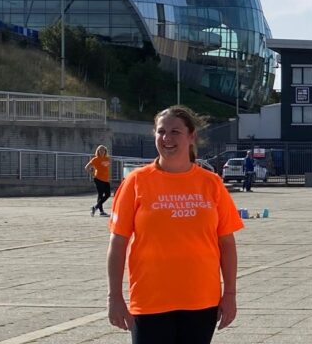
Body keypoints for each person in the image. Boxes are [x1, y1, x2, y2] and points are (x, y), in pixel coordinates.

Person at [106, 105, 243, 343]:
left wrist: (229, 294)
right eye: (161, 132)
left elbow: (227, 243)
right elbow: (118, 243)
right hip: (150, 300)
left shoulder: (211, 184)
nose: (167, 138)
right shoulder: (136, 182)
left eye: (175, 132)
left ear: (191, 137)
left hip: (201, 300)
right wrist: (114, 297)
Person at [85, 145, 113, 217]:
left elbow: (105, 168)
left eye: (103, 150)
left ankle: (95, 207)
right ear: (98, 151)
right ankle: (101, 212)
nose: (102, 151)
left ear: (105, 151)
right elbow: (87, 167)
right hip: (98, 179)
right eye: (100, 150)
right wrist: (93, 174)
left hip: (106, 179)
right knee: (100, 195)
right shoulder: (95, 159)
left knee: (108, 194)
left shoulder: (107, 158)